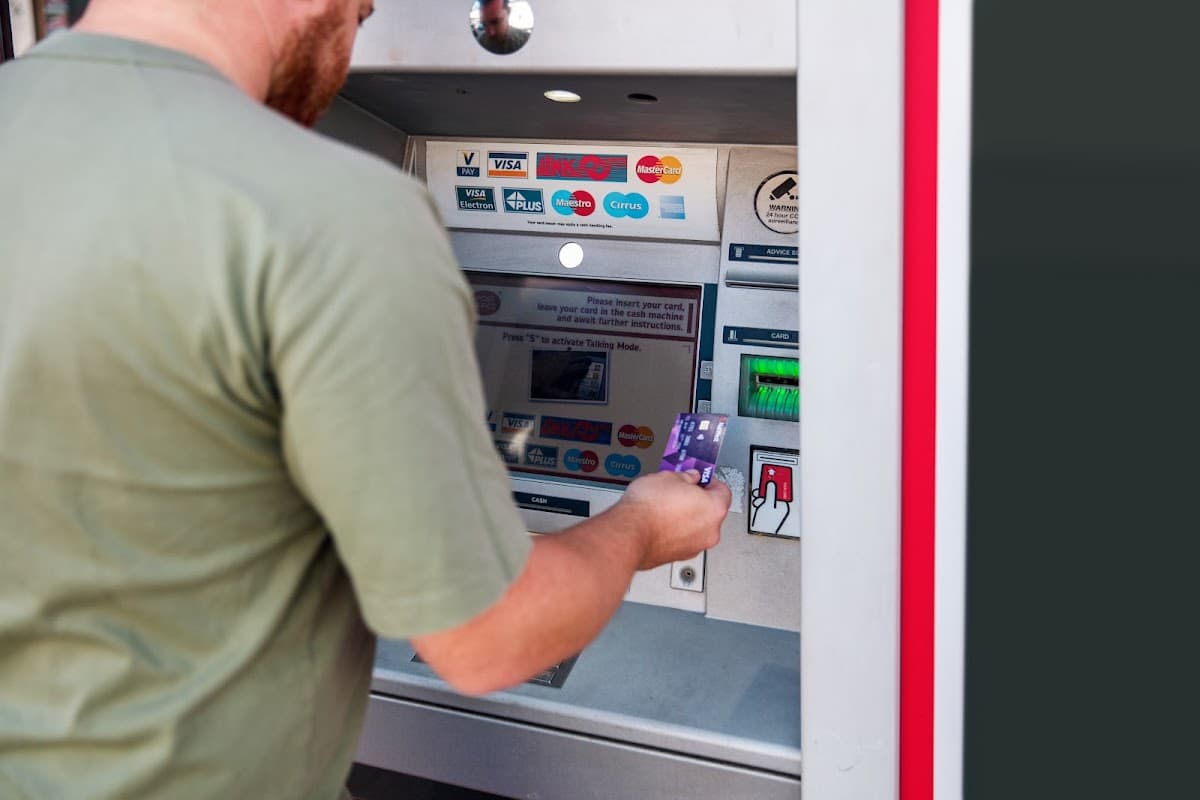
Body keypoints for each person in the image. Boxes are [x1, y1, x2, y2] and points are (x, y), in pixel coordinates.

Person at [0, 1, 731, 799]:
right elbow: (489, 640)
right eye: (359, 11)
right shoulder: (327, 207)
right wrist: (642, 527)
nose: (357, 31)